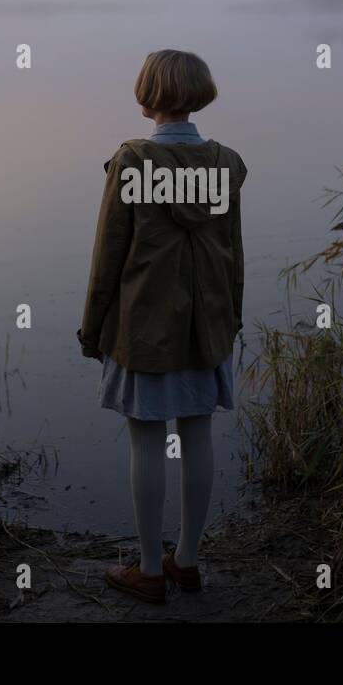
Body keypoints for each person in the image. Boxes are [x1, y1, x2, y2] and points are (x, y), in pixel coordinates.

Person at [78, 49, 247, 604]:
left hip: (144, 328)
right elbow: (232, 254)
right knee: (197, 436)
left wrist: (91, 328)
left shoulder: (131, 163)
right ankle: (187, 561)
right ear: (200, 95)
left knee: (146, 441)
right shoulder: (225, 163)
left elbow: (108, 256)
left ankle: (149, 569)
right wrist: (231, 320)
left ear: (147, 95)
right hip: (207, 325)